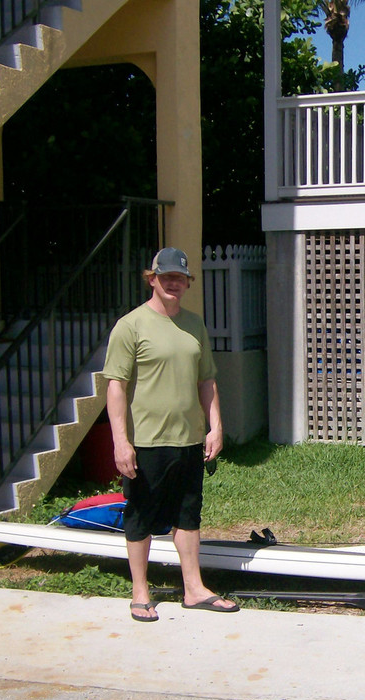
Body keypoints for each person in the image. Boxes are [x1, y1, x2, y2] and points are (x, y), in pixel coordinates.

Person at [102, 247, 239, 622]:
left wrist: (215, 427)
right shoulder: (130, 326)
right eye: (167, 278)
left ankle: (194, 589)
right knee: (141, 515)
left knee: (188, 513)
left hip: (190, 439)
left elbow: (207, 379)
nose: (174, 284)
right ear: (153, 279)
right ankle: (140, 591)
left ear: (187, 283)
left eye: (180, 278)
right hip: (146, 441)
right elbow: (116, 385)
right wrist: (120, 441)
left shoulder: (195, 324)